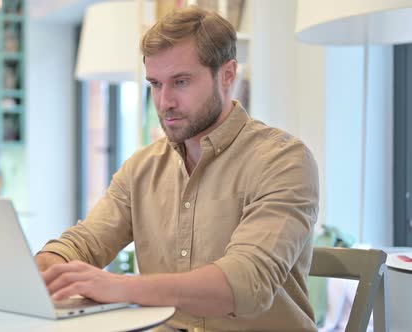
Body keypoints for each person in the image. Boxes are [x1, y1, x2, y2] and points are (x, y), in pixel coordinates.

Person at [36, 6, 319, 332]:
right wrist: (47, 269)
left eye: (181, 81)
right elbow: (83, 243)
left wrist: (120, 287)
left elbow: (246, 282)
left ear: (227, 75)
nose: (164, 101)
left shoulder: (283, 161)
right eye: (155, 84)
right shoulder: (142, 168)